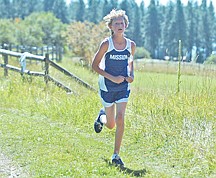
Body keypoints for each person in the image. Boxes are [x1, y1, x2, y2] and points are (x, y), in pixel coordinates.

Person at [92, 9, 136, 167]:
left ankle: (116, 155)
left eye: (122, 23)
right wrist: (112, 78)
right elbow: (94, 66)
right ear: (110, 26)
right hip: (107, 86)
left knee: (120, 118)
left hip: (123, 87)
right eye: (116, 23)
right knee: (110, 124)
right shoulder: (106, 44)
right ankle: (101, 116)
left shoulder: (131, 45)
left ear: (126, 25)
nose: (120, 25)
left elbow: (130, 62)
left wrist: (131, 75)